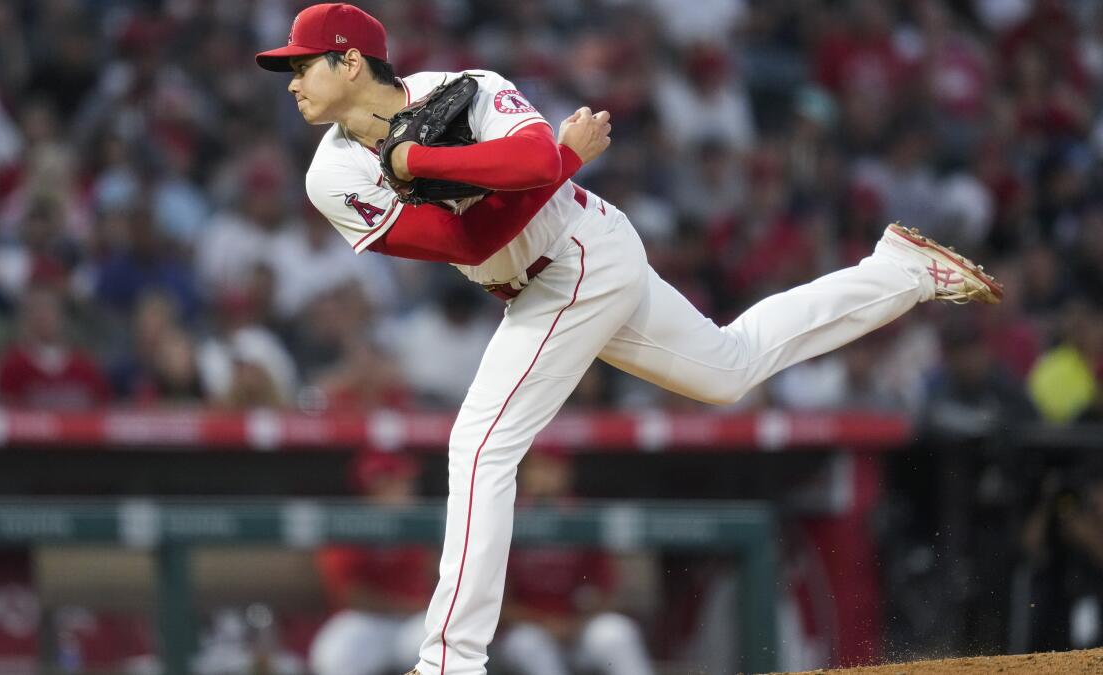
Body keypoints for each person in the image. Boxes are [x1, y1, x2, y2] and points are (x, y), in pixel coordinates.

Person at [255, 5, 1003, 674]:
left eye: (301, 65)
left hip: (578, 250)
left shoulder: (466, 84)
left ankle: (450, 662)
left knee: (480, 443)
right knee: (727, 369)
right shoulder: (332, 175)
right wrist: (551, 160)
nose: (290, 81)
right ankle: (899, 272)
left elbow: (533, 163)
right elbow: (466, 237)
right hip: (533, 271)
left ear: (351, 60)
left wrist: (434, 160)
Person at [498, 446, 656, 675]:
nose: (543, 476)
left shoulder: (581, 516)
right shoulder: (505, 517)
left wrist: (576, 623)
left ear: (566, 473)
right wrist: (544, 622)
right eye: (537, 468)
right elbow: (494, 603)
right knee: (529, 644)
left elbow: (609, 590)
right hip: (527, 630)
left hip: (577, 628)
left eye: (551, 468)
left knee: (617, 632)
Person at [309, 450, 436, 675]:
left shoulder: (421, 523)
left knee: (435, 646)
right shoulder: (347, 527)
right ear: (377, 486)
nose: (409, 489)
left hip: (415, 621)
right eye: (399, 482)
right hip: (370, 621)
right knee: (334, 655)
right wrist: (408, 606)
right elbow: (351, 595)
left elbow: (437, 576)